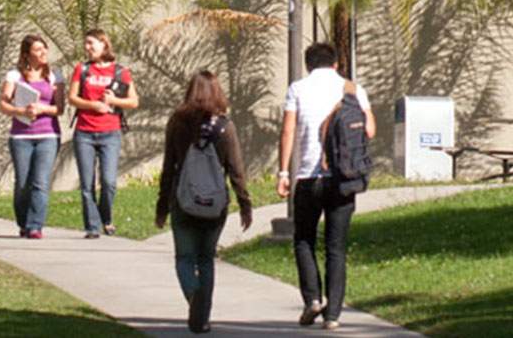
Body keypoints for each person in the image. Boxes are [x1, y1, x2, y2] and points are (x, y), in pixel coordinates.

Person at [276, 43, 376, 330]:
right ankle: (332, 314)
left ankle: (312, 300)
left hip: (308, 177)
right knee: (336, 246)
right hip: (343, 179)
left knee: (304, 239)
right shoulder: (352, 90)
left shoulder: (297, 89)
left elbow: (288, 130)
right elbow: (369, 130)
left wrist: (284, 172)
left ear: (309, 65)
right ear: (335, 65)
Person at [156, 70, 252, 334]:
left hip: (182, 201)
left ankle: (192, 295)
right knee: (206, 259)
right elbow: (236, 170)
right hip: (214, 206)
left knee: (185, 257)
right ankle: (203, 318)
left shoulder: (177, 123)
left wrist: (162, 207)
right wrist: (245, 205)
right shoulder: (225, 127)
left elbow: (168, 168)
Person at [68, 29, 139, 238]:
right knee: (86, 183)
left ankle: (105, 218)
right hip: (85, 132)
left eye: (91, 43)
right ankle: (92, 226)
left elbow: (134, 101)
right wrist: (92, 105)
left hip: (110, 132)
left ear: (103, 44)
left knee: (109, 182)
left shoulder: (120, 72)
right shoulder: (82, 69)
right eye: (86, 44)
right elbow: (72, 98)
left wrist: (113, 101)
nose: (88, 48)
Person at [0, 35, 65, 239]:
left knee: (41, 182)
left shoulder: (55, 76)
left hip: (48, 135)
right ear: (27, 54)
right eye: (38, 50)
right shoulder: (14, 76)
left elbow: (60, 108)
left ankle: (35, 226)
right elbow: (3, 104)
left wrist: (42, 108)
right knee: (22, 183)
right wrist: (21, 111)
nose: (43, 53)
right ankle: (23, 222)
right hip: (21, 136)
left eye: (44, 49)